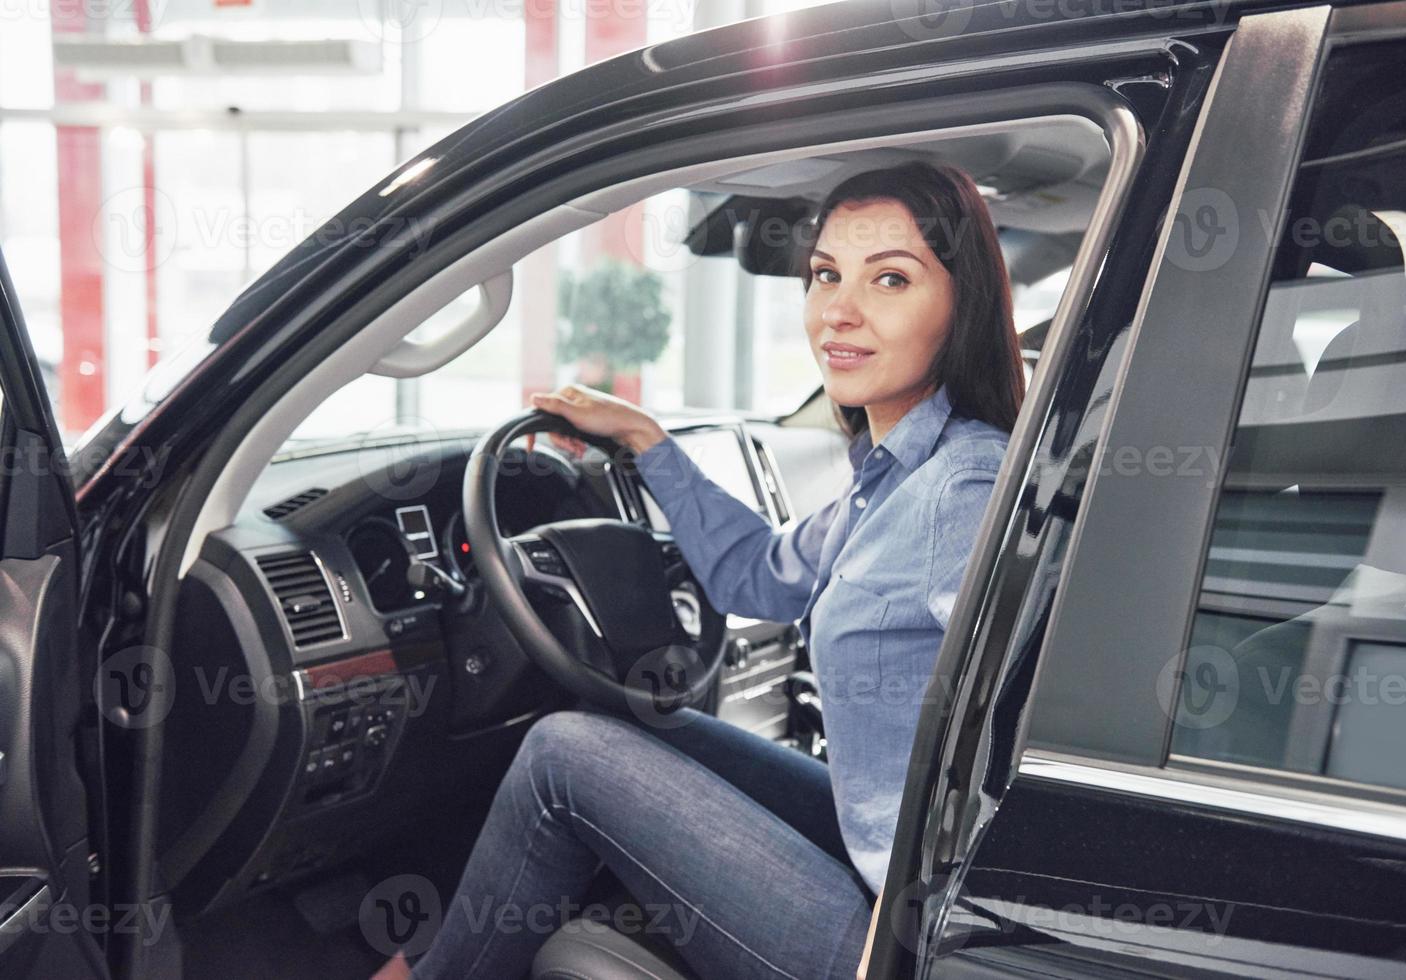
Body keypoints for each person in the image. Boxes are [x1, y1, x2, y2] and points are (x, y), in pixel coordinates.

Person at [376, 160, 1024, 980]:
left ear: (959, 305)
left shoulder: (959, 487)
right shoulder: (895, 473)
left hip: (912, 944)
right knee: (647, 722)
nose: (838, 312)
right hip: (892, 851)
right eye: (825, 276)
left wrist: (978, 945)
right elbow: (756, 576)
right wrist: (647, 442)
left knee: (560, 757)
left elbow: (1032, 725)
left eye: (889, 279)